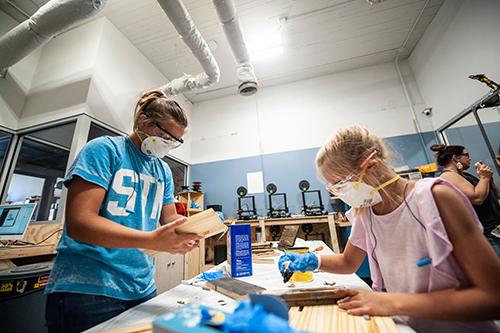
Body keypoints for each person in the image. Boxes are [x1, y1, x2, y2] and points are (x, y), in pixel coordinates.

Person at [278, 126, 500, 332]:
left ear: (371, 166)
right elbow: (348, 262)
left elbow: (493, 297)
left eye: (341, 185)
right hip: (405, 326)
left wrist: (390, 302)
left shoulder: (434, 198)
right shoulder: (366, 212)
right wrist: (312, 261)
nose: (339, 193)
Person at [45, 90, 204, 333]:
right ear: (143, 122)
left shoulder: (162, 171)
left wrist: (187, 232)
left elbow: (169, 218)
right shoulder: (105, 150)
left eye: (175, 141)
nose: (169, 144)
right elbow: (80, 222)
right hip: (88, 288)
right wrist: (152, 239)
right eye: (165, 136)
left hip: (142, 286)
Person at [430, 144, 500, 258]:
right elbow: (477, 198)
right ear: (455, 158)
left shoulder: (465, 175)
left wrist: (489, 178)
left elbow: (496, 194)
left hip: (495, 231)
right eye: (466, 155)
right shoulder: (449, 176)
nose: (470, 158)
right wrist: (484, 178)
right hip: (485, 235)